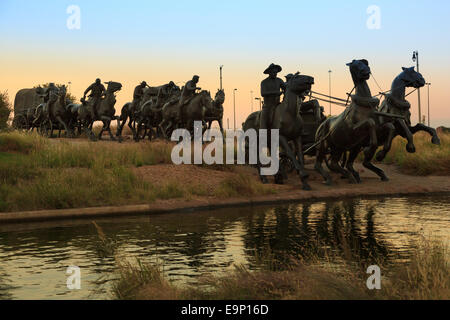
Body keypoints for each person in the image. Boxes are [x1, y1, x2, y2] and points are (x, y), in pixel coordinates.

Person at [260, 64, 286, 131]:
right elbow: (263, 93)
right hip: (267, 106)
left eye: (276, 72)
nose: (275, 74)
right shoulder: (264, 82)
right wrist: (276, 93)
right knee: (264, 122)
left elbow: (285, 88)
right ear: (269, 72)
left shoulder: (279, 80)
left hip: (278, 104)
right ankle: (263, 136)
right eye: (274, 72)